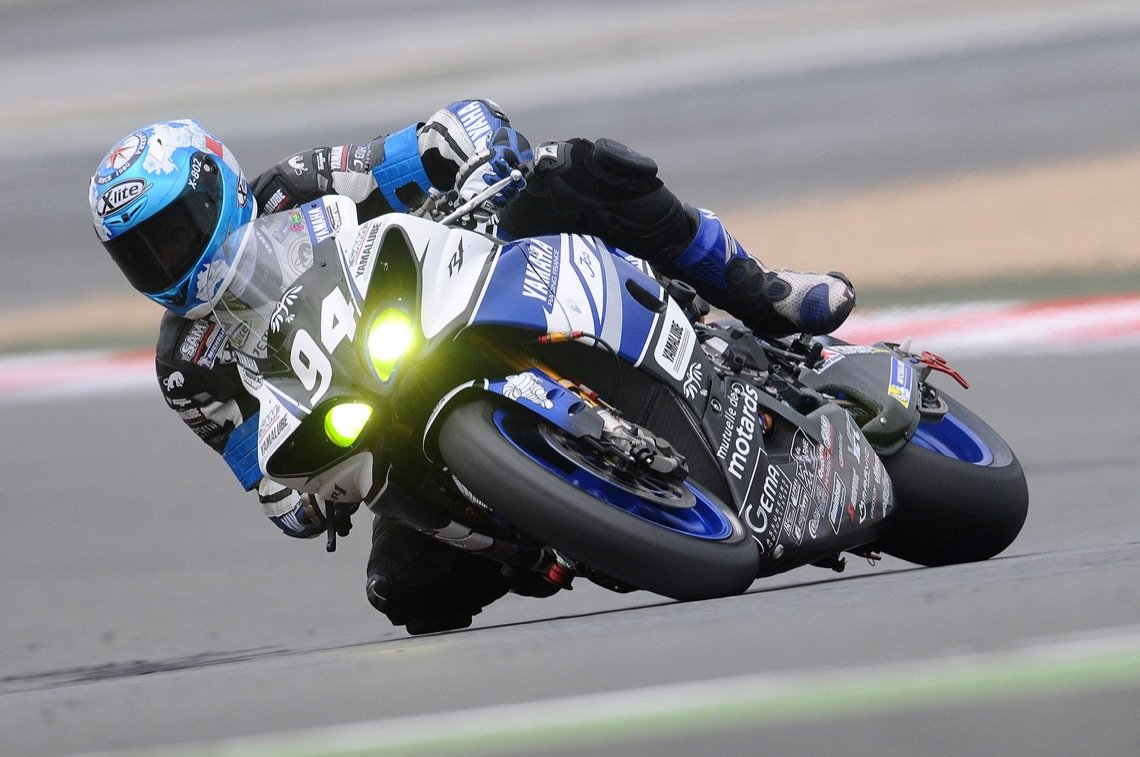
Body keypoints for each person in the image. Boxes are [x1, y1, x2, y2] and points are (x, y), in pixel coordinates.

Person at [89, 100, 855, 634]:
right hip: (388, 429)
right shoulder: (187, 368)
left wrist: (480, 157)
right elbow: (270, 490)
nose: (170, 258)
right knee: (403, 592)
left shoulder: (298, 186)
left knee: (579, 168)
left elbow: (443, 133)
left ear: (217, 187)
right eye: (143, 253)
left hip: (462, 285)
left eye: (175, 231)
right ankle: (556, 530)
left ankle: (764, 294)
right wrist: (314, 495)